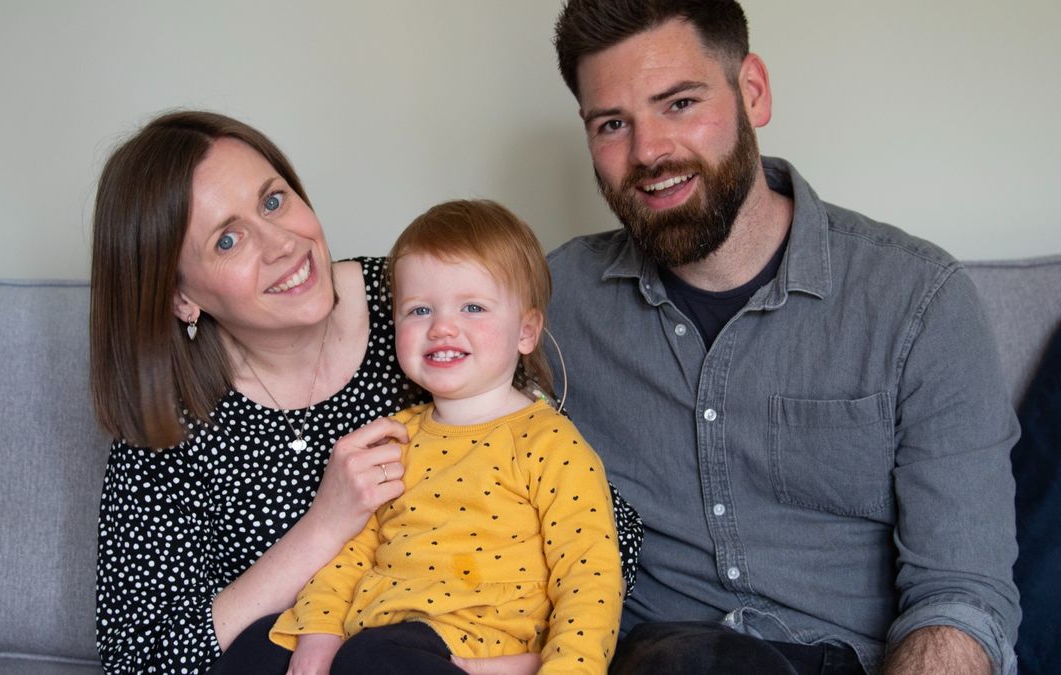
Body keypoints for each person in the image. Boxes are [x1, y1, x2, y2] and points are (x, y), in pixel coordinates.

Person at [544, 2, 1021, 674]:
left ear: (753, 92)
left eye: (679, 103)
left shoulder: (919, 301)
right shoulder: (552, 303)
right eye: (613, 124)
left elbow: (961, 595)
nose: (648, 150)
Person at [89, 112, 641, 674]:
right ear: (181, 296)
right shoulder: (170, 420)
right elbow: (140, 661)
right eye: (228, 239)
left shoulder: (422, 301)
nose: (281, 244)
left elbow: (602, 536)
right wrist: (325, 526)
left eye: (274, 201)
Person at [263, 199, 626, 674]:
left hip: (480, 647)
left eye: (473, 306)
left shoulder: (550, 443)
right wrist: (319, 631)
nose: (442, 327)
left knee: (375, 657)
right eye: (418, 310)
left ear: (526, 330)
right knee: (257, 649)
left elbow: (589, 575)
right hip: (379, 634)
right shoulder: (394, 437)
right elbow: (350, 550)